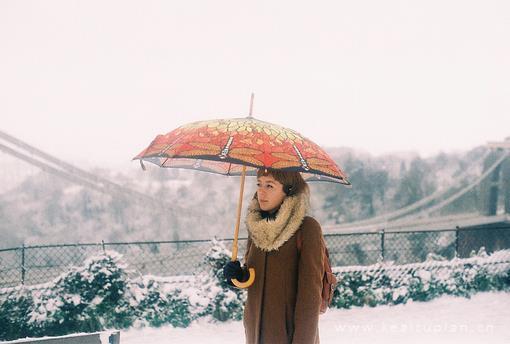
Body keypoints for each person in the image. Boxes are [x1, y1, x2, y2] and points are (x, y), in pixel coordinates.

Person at [223, 168, 325, 344]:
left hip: (288, 336)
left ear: (289, 190)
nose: (261, 191)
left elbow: (310, 298)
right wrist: (237, 276)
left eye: (269, 185)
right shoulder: (256, 227)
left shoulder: (306, 228)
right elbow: (253, 277)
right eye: (259, 184)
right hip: (255, 334)